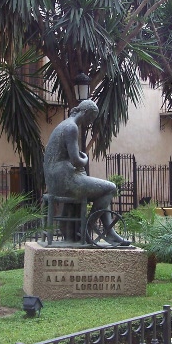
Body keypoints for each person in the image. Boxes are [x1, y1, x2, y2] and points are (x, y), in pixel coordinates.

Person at [43, 100, 129, 246]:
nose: (90, 122)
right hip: (65, 182)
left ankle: (109, 232)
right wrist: (85, 158)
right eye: (91, 118)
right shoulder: (71, 128)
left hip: (56, 181)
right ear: (85, 112)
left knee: (103, 191)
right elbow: (76, 160)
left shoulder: (63, 125)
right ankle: (87, 228)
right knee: (110, 188)